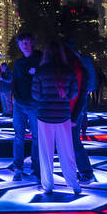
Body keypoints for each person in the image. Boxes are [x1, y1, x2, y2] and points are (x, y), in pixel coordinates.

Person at [32, 41, 81, 195]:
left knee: (45, 153)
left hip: (44, 115)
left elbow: (35, 95)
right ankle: (74, 184)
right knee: (67, 152)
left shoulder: (40, 71)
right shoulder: (68, 71)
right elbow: (73, 94)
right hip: (63, 115)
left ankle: (47, 186)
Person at [12, 32, 42, 181]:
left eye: (26, 42)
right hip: (19, 104)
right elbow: (15, 82)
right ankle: (18, 167)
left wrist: (36, 72)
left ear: (32, 42)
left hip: (35, 104)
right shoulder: (18, 63)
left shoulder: (40, 59)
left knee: (36, 137)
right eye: (21, 43)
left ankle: (35, 167)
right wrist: (16, 99)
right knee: (19, 136)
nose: (24, 46)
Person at [67, 42, 96, 184]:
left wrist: (77, 113)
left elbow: (84, 89)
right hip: (75, 108)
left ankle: (87, 172)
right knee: (72, 142)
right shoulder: (81, 63)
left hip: (75, 109)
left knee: (73, 142)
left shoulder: (77, 66)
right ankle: (83, 172)